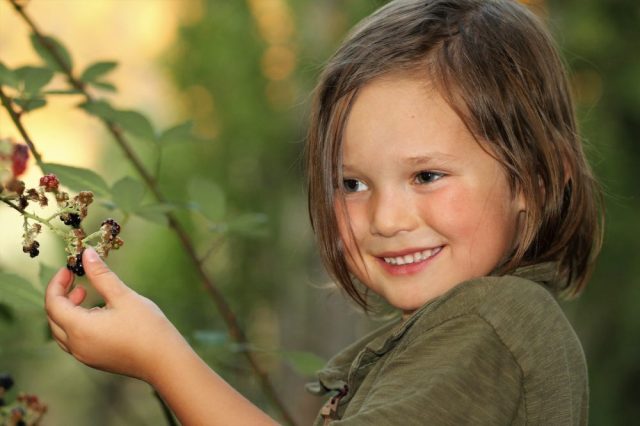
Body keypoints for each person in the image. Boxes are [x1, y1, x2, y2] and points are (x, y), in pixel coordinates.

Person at [45, 0, 603, 424]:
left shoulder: (492, 323)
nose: (385, 218)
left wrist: (160, 357)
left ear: (534, 177)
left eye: (426, 176)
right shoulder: (462, 332)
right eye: (353, 183)